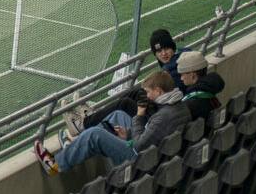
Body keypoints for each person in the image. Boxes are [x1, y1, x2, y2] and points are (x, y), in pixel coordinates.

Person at [35, 71, 185, 174]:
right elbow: (150, 135)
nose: (147, 96)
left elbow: (139, 146)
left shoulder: (163, 116)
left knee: (95, 134)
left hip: (141, 160)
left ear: (158, 91)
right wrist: (129, 135)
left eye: (148, 92)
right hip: (156, 152)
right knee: (118, 115)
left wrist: (139, 116)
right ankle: (77, 146)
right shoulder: (179, 105)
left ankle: (55, 166)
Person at [177, 51, 225, 122]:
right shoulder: (209, 91)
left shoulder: (191, 104)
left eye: (182, 74)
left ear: (193, 75)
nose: (181, 78)